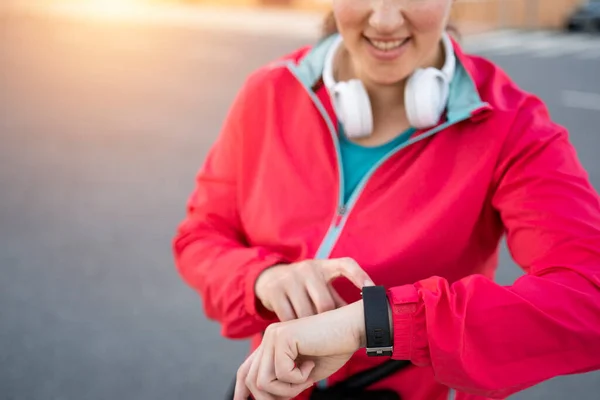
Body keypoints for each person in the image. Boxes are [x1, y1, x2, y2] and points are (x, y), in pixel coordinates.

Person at [172, 0, 600, 399]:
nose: (384, 20)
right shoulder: (268, 92)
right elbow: (201, 236)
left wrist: (378, 323)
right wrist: (262, 279)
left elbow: (589, 295)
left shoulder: (513, 127)